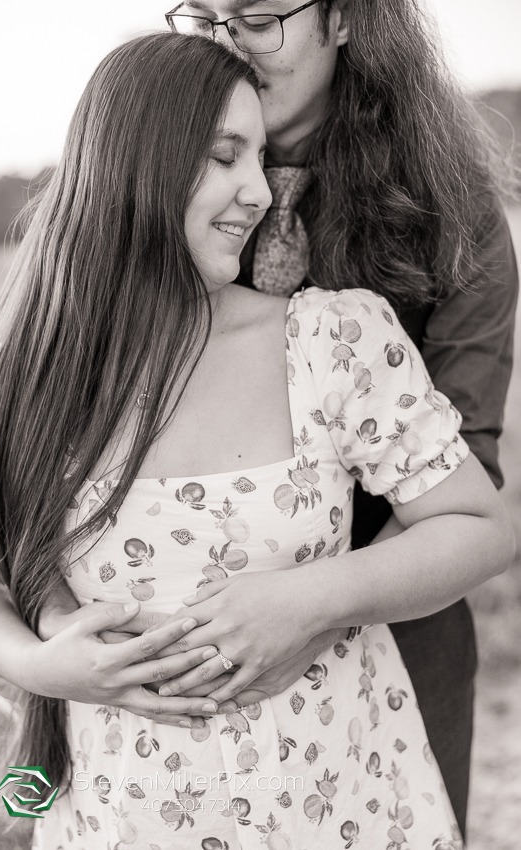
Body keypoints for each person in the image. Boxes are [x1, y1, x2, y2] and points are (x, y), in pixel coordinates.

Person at [0, 32, 515, 850]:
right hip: (126, 815)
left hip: (345, 800)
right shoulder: (5, 396)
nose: (258, 191)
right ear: (132, 165)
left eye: (259, 158)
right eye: (224, 156)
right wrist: (37, 666)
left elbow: (479, 527)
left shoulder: (332, 340)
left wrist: (310, 598)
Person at [161, 0, 519, 838]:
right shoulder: (155, 189)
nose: (226, 47)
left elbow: (466, 477)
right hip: (188, 619)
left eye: (254, 16)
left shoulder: (449, 205)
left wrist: (310, 607)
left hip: (392, 595)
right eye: (201, 18)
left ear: (347, 18)